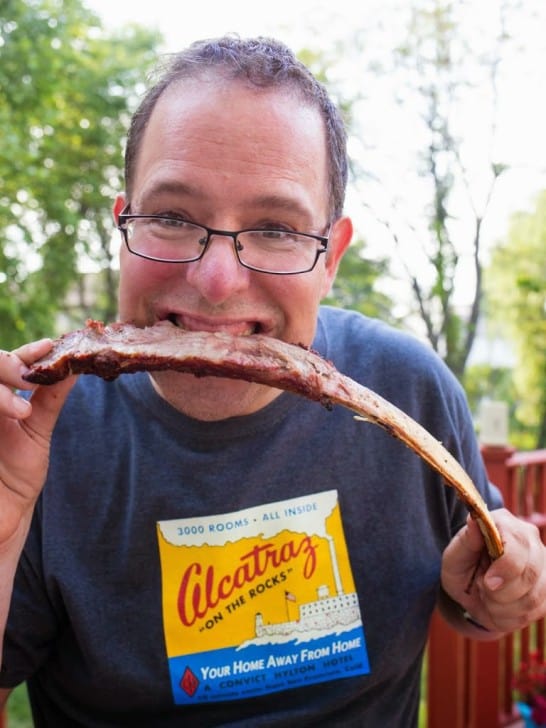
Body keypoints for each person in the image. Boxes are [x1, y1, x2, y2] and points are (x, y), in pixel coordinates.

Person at [0, 35, 544, 727]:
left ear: (332, 257)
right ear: (121, 225)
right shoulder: (30, 439)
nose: (218, 280)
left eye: (276, 229)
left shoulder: (411, 392)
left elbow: (471, 596)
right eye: (170, 217)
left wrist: (493, 593)